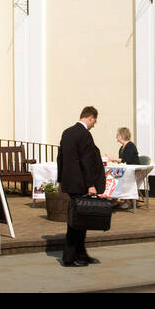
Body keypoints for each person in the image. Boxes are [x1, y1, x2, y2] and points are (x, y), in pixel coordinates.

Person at [57, 105, 106, 267]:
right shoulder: (84, 134)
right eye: (94, 122)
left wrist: (60, 180)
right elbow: (86, 161)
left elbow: (60, 158)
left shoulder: (67, 132)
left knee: (80, 219)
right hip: (80, 183)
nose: (93, 125)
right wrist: (91, 185)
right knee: (77, 221)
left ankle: (81, 254)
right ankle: (69, 258)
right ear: (90, 118)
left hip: (69, 182)